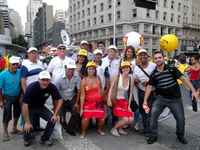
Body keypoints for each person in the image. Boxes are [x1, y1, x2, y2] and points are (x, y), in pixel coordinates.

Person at [143, 51, 199, 144]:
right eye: (156, 58)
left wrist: (193, 91)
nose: (158, 60)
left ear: (163, 58)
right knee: (153, 116)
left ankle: (180, 135)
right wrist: (145, 101)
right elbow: (149, 87)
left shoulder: (171, 69)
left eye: (159, 57)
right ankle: (153, 135)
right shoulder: (154, 74)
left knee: (181, 119)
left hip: (175, 99)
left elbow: (184, 79)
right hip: (161, 99)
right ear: (154, 60)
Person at [22, 71, 63, 146]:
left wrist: (56, 114)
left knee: (52, 119)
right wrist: (27, 122)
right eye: (43, 80)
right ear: (38, 80)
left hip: (40, 107)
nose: (45, 82)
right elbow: (25, 105)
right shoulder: (31, 87)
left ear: (50, 80)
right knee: (28, 124)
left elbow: (60, 100)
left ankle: (45, 138)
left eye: (47, 80)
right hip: (29, 108)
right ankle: (27, 138)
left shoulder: (51, 86)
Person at [108, 61, 134, 137]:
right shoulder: (117, 76)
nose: (126, 69)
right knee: (125, 119)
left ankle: (120, 128)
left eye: (127, 67)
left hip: (124, 101)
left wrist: (129, 106)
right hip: (116, 100)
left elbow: (130, 93)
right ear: (121, 69)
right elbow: (111, 88)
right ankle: (114, 129)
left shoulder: (131, 78)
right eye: (124, 67)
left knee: (131, 119)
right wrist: (109, 99)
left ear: (130, 69)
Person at [80, 61, 106, 138]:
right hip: (88, 103)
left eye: (93, 69)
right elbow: (82, 95)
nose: (91, 70)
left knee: (102, 119)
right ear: (87, 70)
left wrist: (103, 103)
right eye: (89, 69)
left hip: (98, 103)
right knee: (86, 119)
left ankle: (99, 129)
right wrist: (81, 108)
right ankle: (83, 132)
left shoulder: (98, 78)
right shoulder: (83, 80)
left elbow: (101, 90)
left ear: (95, 70)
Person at [133, 49, 156, 136]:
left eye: (144, 55)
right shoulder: (136, 67)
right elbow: (135, 80)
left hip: (152, 92)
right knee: (143, 111)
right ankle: (146, 128)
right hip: (141, 92)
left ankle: (150, 131)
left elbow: (158, 76)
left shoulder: (153, 65)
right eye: (140, 55)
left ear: (148, 56)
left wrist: (150, 82)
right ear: (138, 57)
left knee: (149, 112)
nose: (143, 56)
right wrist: (137, 81)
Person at [55, 61, 81, 136]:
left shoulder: (77, 77)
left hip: (71, 97)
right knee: (61, 117)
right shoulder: (59, 78)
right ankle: (64, 125)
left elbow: (79, 90)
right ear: (65, 68)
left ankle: (70, 128)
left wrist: (76, 102)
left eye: (72, 69)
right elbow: (55, 92)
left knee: (76, 112)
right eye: (69, 69)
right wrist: (56, 105)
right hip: (61, 98)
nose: (71, 70)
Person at [0, 56, 21, 141]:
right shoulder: (2, 74)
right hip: (7, 97)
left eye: (17, 64)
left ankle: (14, 128)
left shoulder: (20, 72)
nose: (15, 66)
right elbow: (0, 89)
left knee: (17, 113)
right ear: (9, 65)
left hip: (17, 96)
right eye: (13, 64)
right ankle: (5, 132)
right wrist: (1, 101)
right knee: (7, 114)